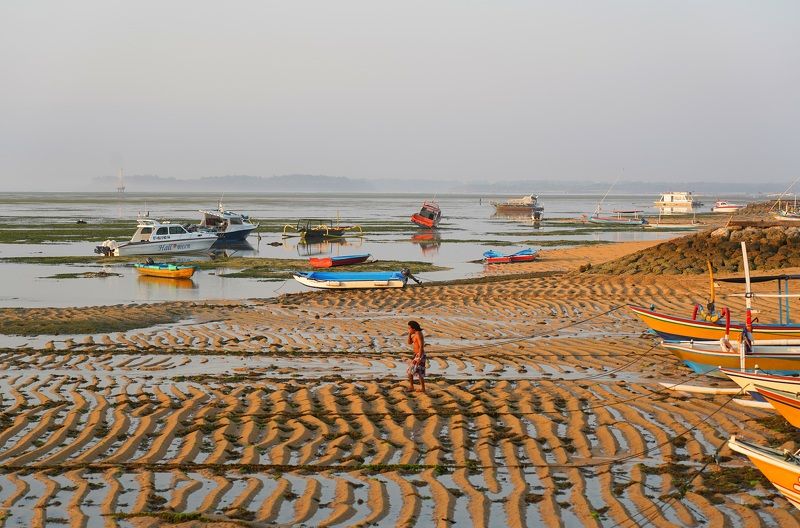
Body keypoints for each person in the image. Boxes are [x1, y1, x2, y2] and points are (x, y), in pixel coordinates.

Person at [407, 320, 426, 393]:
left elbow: (421, 346)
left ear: (413, 329)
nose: (408, 329)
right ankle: (418, 388)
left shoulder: (418, 334)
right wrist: (409, 333)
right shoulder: (415, 334)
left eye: (409, 328)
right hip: (417, 355)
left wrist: (419, 358)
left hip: (419, 355)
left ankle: (412, 387)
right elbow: (409, 342)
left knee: (411, 371)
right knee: (417, 372)